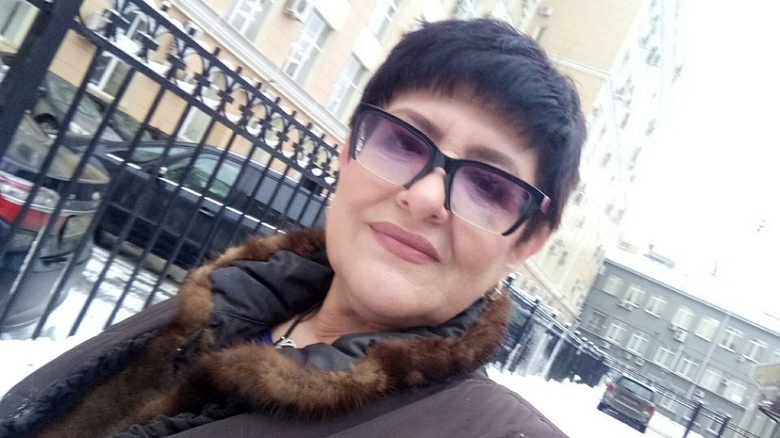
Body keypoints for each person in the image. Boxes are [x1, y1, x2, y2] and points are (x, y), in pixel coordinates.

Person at [0, 18, 585, 438]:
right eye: (405, 143)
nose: (426, 196)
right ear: (348, 153)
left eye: (490, 187)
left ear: (528, 242)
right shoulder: (226, 301)